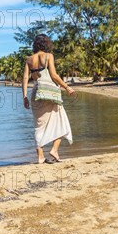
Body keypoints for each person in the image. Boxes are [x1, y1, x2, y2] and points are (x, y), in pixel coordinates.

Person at [22, 34, 76, 164]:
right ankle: (54, 150)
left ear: (35, 45)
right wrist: (67, 87)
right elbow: (53, 75)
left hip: (36, 93)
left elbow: (24, 78)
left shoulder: (29, 59)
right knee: (61, 121)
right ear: (46, 44)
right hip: (50, 92)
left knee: (38, 126)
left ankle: (40, 157)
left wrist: (24, 96)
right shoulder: (48, 56)